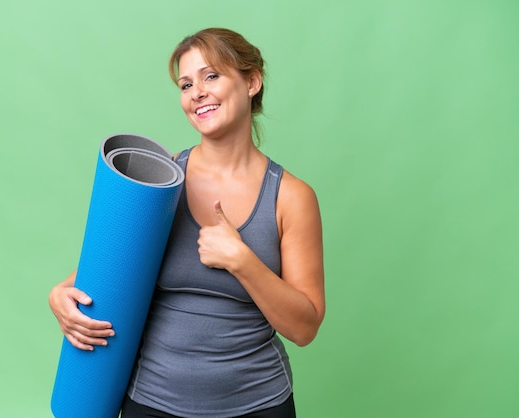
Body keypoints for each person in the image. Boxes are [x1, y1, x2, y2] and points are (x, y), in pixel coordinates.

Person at [49, 27, 325, 418]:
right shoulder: (160, 184)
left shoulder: (291, 197)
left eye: (211, 76)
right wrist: (59, 295)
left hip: (259, 404)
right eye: (185, 84)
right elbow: (105, 274)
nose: (196, 92)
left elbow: (305, 328)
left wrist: (241, 260)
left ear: (251, 81)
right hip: (151, 402)